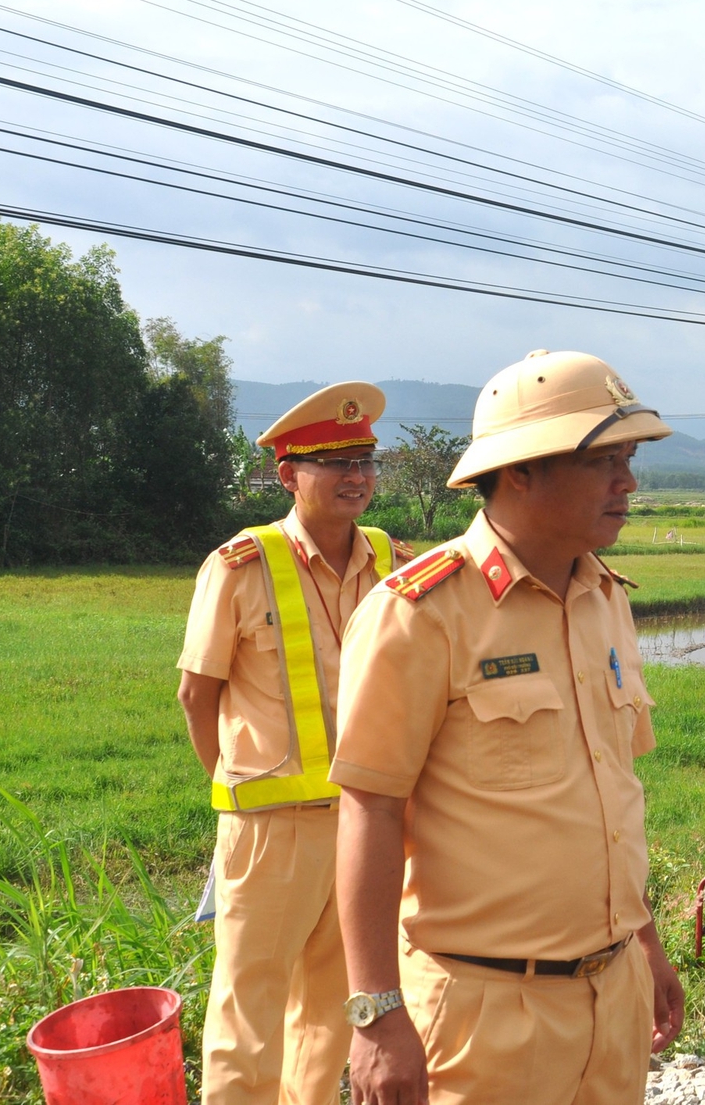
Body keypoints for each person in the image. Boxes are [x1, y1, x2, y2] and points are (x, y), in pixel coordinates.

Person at [330, 350, 686, 1105]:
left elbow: (610, 795)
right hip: (485, 1016)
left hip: (611, 995)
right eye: (606, 462)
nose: (628, 482)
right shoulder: (419, 614)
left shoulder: (606, 597)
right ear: (522, 470)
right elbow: (371, 808)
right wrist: (375, 1015)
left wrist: (644, 943)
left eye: (629, 460)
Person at [177, 382, 413, 1105]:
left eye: (366, 459)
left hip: (364, 825)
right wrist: (238, 791)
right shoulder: (240, 565)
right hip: (270, 830)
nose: (357, 476)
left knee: (330, 1011)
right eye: (334, 461)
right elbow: (197, 692)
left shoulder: (392, 560)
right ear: (288, 475)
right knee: (248, 1008)